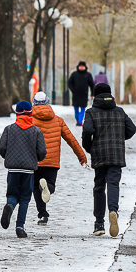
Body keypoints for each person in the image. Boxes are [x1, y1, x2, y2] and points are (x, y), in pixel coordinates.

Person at [82, 83, 136, 237]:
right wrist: (119, 137)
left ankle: (99, 223)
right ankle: (113, 211)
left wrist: (89, 147)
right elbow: (132, 129)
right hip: (116, 154)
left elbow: (87, 130)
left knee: (99, 186)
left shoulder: (91, 112)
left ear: (94, 96)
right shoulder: (119, 111)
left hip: (99, 153)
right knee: (113, 184)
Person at [30, 91, 87, 225]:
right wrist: (82, 157)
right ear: (47, 103)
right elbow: (71, 139)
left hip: (34, 160)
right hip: (52, 161)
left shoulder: (30, 120)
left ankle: (42, 214)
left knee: (35, 187)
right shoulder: (58, 120)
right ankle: (48, 187)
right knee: (49, 186)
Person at [0, 101, 47, 239]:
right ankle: (20, 227)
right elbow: (42, 151)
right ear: (30, 113)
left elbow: (2, 147)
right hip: (28, 170)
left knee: (12, 194)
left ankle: (10, 206)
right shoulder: (36, 131)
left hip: (13, 169)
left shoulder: (9, 129)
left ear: (17, 113)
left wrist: (8, 157)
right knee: (25, 198)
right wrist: (35, 159)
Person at [67, 61, 95, 126]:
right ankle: (77, 119)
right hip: (76, 94)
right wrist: (73, 90)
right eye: (80, 66)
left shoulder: (88, 75)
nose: (81, 67)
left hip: (84, 94)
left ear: (85, 67)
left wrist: (92, 93)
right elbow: (69, 83)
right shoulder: (74, 74)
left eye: (83, 66)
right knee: (76, 108)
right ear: (78, 67)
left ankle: (80, 121)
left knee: (83, 108)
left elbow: (92, 85)